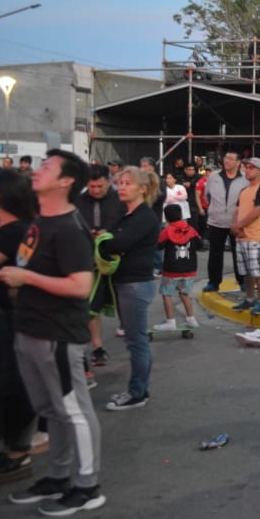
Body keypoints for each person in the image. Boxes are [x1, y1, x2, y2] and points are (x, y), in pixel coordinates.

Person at [0, 151, 104, 515]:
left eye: (47, 167)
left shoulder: (70, 229)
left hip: (57, 335)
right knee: (51, 409)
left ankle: (88, 485)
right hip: (30, 328)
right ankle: (58, 477)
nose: (37, 171)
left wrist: (25, 278)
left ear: (65, 182)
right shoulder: (39, 222)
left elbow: (79, 286)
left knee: (73, 410)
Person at [101, 167, 162, 411]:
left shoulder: (144, 217)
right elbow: (112, 239)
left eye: (127, 183)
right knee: (134, 340)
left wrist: (106, 240)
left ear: (142, 188)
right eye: (120, 183)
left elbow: (116, 243)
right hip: (126, 282)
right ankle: (139, 389)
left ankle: (137, 392)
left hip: (135, 284)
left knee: (136, 342)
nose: (121, 187)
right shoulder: (127, 215)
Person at [0, 170, 37, 484]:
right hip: (13, 320)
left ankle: (16, 452)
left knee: (12, 386)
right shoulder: (16, 229)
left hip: (12, 321)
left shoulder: (13, 232)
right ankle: (15, 448)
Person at [76, 163, 123, 367]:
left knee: (123, 301)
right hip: (87, 259)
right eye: (92, 186)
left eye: (100, 187)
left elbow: (128, 226)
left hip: (116, 260)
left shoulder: (120, 199)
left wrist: (110, 233)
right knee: (91, 306)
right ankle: (97, 347)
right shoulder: (78, 200)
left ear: (108, 182)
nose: (96, 191)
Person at [229, 158, 260, 317]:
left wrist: (238, 225)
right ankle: (249, 298)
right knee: (246, 271)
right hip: (242, 236)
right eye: (246, 167)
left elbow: (258, 210)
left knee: (258, 271)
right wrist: (235, 226)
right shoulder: (244, 190)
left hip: (256, 235)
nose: (247, 170)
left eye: (251, 168)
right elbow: (237, 210)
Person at [152, 203, 201, 335]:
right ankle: (191, 319)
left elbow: (158, 247)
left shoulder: (167, 231)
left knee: (167, 294)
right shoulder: (191, 229)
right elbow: (200, 244)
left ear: (166, 218)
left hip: (171, 270)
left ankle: (170, 322)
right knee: (184, 293)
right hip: (190, 270)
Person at [202, 151, 248, 292]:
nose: (226, 161)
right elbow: (207, 195)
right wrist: (215, 209)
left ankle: (242, 281)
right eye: (226, 157)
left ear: (238, 162)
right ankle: (214, 282)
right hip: (216, 221)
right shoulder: (214, 176)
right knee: (215, 253)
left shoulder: (245, 178)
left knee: (239, 253)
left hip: (237, 222)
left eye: (230, 158)